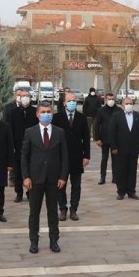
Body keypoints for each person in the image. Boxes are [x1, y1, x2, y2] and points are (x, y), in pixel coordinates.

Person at [21, 101, 69, 254]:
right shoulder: (30, 132)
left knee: (52, 212)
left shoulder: (59, 132)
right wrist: (25, 177)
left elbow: (64, 157)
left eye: (48, 112)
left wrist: (63, 177)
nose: (46, 114)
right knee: (34, 213)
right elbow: (24, 157)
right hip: (35, 179)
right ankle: (33, 241)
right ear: (37, 114)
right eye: (43, 112)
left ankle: (54, 240)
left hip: (54, 180)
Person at [52, 92, 91, 221]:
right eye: (69, 100)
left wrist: (86, 156)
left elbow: (86, 138)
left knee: (76, 185)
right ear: (64, 103)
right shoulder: (57, 118)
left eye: (74, 100)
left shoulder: (81, 117)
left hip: (77, 157)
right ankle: (62, 209)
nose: (72, 102)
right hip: (60, 157)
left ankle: (74, 209)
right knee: (60, 185)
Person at [6, 89, 38, 202]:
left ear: (30, 98)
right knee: (18, 172)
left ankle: (30, 192)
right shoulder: (13, 112)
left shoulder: (35, 112)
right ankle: (18, 193)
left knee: (31, 171)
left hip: (32, 146)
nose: (25, 98)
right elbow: (9, 130)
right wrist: (11, 146)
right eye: (22, 96)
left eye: (27, 96)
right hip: (18, 145)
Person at [110, 96, 139, 200]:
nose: (129, 105)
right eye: (126, 103)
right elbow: (112, 132)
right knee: (121, 171)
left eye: (130, 103)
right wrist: (114, 147)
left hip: (134, 148)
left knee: (132, 171)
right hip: (120, 149)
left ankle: (131, 191)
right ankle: (121, 191)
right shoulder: (116, 116)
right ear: (122, 105)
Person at [94, 92, 118, 184]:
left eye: (112, 99)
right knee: (104, 158)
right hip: (104, 138)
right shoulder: (101, 111)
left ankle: (115, 177)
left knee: (115, 159)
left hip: (115, 139)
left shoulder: (119, 110)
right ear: (106, 100)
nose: (111, 101)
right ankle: (102, 177)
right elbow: (96, 125)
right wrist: (97, 138)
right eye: (109, 99)